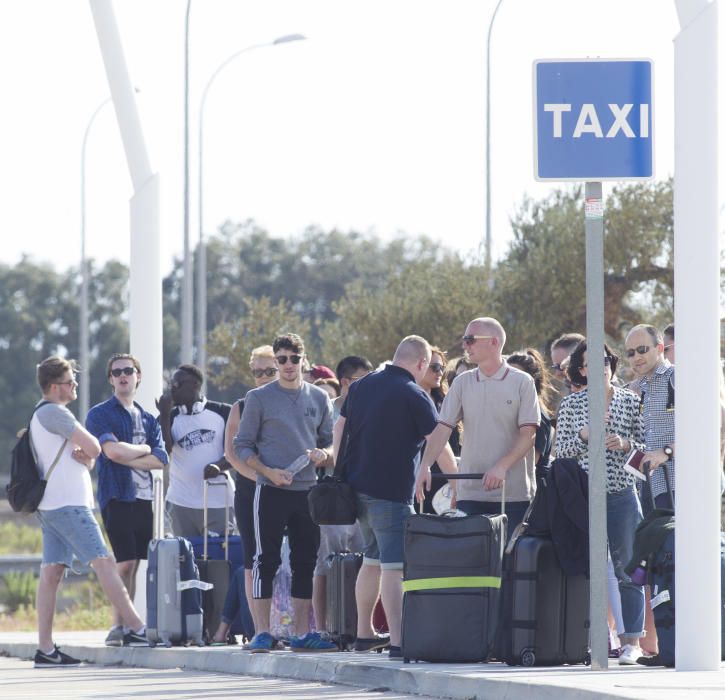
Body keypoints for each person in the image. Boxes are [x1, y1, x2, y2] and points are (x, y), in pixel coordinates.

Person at [335, 336, 457, 659]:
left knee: (371, 560)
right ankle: (399, 639)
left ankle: (364, 633)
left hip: (356, 488)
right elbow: (438, 442)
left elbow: (339, 429)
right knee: (394, 566)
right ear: (420, 363)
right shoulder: (414, 393)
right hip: (391, 491)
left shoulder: (361, 386)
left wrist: (339, 469)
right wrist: (457, 481)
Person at [32, 356, 149, 667]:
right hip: (69, 505)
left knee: (52, 573)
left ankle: (45, 648)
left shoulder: (39, 415)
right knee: (106, 562)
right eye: (71, 381)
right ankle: (137, 627)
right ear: (56, 386)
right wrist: (92, 453)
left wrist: (87, 455)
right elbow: (96, 448)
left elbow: (86, 457)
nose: (75, 386)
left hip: (51, 505)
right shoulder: (56, 413)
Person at [234, 333, 335, 652]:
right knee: (266, 559)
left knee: (306, 560)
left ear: (304, 360)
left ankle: (303, 633)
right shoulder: (259, 397)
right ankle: (262, 632)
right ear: (275, 361)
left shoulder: (319, 398)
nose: (288, 365)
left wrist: (324, 454)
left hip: (308, 490)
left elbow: (331, 442)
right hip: (270, 489)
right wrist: (267, 472)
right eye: (282, 359)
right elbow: (242, 445)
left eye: (295, 358)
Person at [554, 340, 646, 665]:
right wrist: (583, 435)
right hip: (584, 497)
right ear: (582, 370)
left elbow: (646, 446)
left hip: (622, 493)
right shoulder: (570, 406)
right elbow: (559, 452)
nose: (602, 366)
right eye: (594, 362)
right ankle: (593, 638)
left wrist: (625, 444)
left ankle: (631, 641)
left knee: (629, 569)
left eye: (606, 360)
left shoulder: (631, 401)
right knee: (588, 569)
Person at [417, 317, 540, 539]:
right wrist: (425, 465)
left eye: (470, 339)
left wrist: (501, 466)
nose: (465, 345)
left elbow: (528, 435)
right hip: (470, 492)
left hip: (513, 494)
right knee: (470, 564)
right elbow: (442, 428)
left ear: (493, 342)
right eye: (465, 340)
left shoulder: (523, 382)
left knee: (509, 567)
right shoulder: (462, 382)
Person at [86, 353, 168, 647]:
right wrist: (143, 448)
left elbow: (161, 460)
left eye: (128, 371)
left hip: (145, 498)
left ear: (138, 376)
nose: (123, 375)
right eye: (116, 371)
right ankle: (118, 626)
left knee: (134, 564)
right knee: (124, 562)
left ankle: (126, 627)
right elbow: (111, 453)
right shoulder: (100, 413)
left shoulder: (147, 417)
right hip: (117, 494)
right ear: (110, 379)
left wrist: (132, 454)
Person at [211, 344, 278, 644]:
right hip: (252, 488)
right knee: (253, 558)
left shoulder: (294, 401)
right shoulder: (241, 405)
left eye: (269, 371)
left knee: (288, 557)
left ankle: (287, 623)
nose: (263, 377)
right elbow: (231, 452)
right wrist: (261, 477)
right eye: (258, 372)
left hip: (290, 486)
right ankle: (259, 628)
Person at [311, 356, 372, 634]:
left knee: (365, 562)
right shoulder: (328, 411)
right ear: (346, 382)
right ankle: (323, 629)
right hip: (332, 499)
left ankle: (360, 627)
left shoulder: (371, 408)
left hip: (364, 496)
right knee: (324, 566)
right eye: (363, 380)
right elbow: (320, 450)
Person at [158, 364, 233, 538]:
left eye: (176, 384)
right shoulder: (169, 416)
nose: (172, 389)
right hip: (180, 502)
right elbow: (164, 450)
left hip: (217, 502)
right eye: (170, 384)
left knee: (218, 560)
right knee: (184, 560)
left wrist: (219, 466)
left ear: (195, 385)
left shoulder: (223, 412)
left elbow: (236, 452)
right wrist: (164, 415)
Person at [624, 325, 675, 508]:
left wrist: (665, 452)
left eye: (642, 350)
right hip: (647, 490)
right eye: (630, 353)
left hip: (680, 485)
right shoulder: (635, 389)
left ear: (660, 348)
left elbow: (705, 431)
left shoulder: (679, 378)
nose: (636, 357)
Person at [415, 346, 461, 514]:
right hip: (420, 483)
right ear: (419, 365)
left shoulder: (447, 402)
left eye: (442, 367)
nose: (439, 372)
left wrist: (456, 484)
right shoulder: (408, 400)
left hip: (447, 482)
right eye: (434, 367)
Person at [507, 348, 554, 474]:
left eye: (517, 376)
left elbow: (532, 461)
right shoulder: (513, 409)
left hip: (532, 488)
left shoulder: (538, 413)